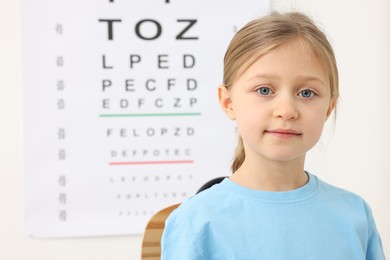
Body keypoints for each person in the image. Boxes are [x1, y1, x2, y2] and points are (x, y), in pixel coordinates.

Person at [161, 11, 386, 259]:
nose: (287, 111)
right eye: (264, 89)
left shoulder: (355, 215)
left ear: (328, 109)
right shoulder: (195, 222)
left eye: (307, 93)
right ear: (228, 102)